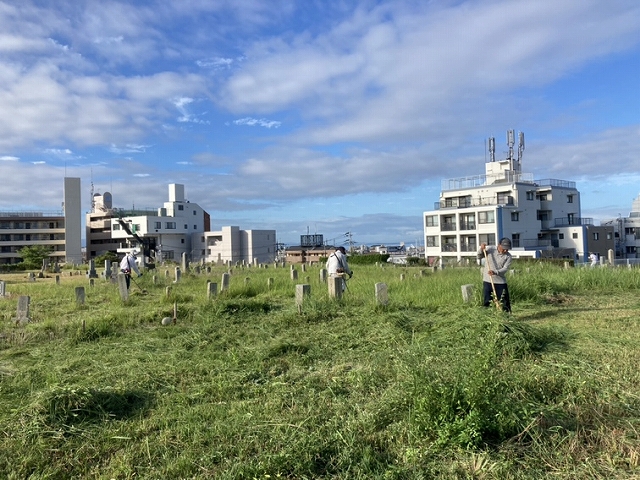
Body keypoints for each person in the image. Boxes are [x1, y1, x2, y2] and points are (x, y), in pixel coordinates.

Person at [477, 238, 512, 312]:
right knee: (487, 301)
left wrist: (495, 272)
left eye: (507, 249)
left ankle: (507, 317)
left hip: (500, 282)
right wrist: (481, 249)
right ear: (499, 245)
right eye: (504, 248)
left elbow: (505, 269)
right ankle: (488, 318)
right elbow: (479, 256)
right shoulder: (490, 249)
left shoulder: (508, 256)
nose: (505, 251)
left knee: (504, 301)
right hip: (488, 281)